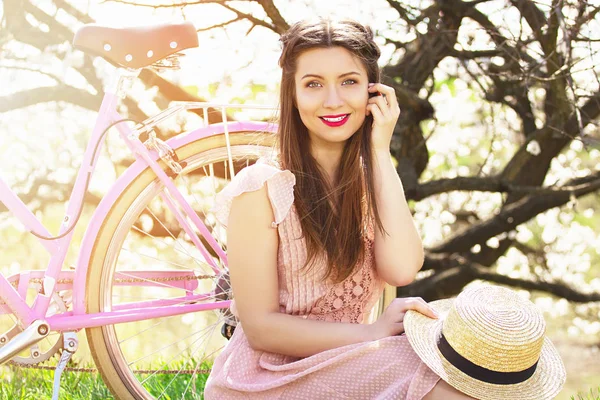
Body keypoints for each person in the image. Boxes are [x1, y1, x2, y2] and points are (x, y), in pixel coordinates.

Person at [204, 17, 474, 399]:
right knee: (445, 389)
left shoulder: (371, 181)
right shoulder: (262, 188)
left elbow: (401, 268)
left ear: (373, 91)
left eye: (349, 82)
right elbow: (260, 327)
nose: (333, 101)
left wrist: (379, 151)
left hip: (351, 358)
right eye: (313, 84)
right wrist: (370, 333)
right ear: (292, 94)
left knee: (464, 380)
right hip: (267, 377)